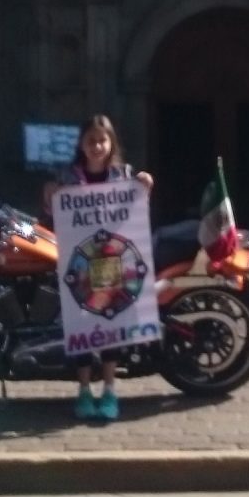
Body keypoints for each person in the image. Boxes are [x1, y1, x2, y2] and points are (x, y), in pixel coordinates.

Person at [46, 114, 153, 423]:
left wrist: (145, 184)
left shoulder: (124, 175)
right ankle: (83, 390)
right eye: (91, 140)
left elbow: (138, 207)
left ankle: (109, 390)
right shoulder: (66, 177)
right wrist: (50, 195)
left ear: (111, 143)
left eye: (102, 140)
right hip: (79, 264)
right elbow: (52, 213)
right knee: (81, 325)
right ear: (81, 144)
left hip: (114, 263)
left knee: (110, 328)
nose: (96, 146)